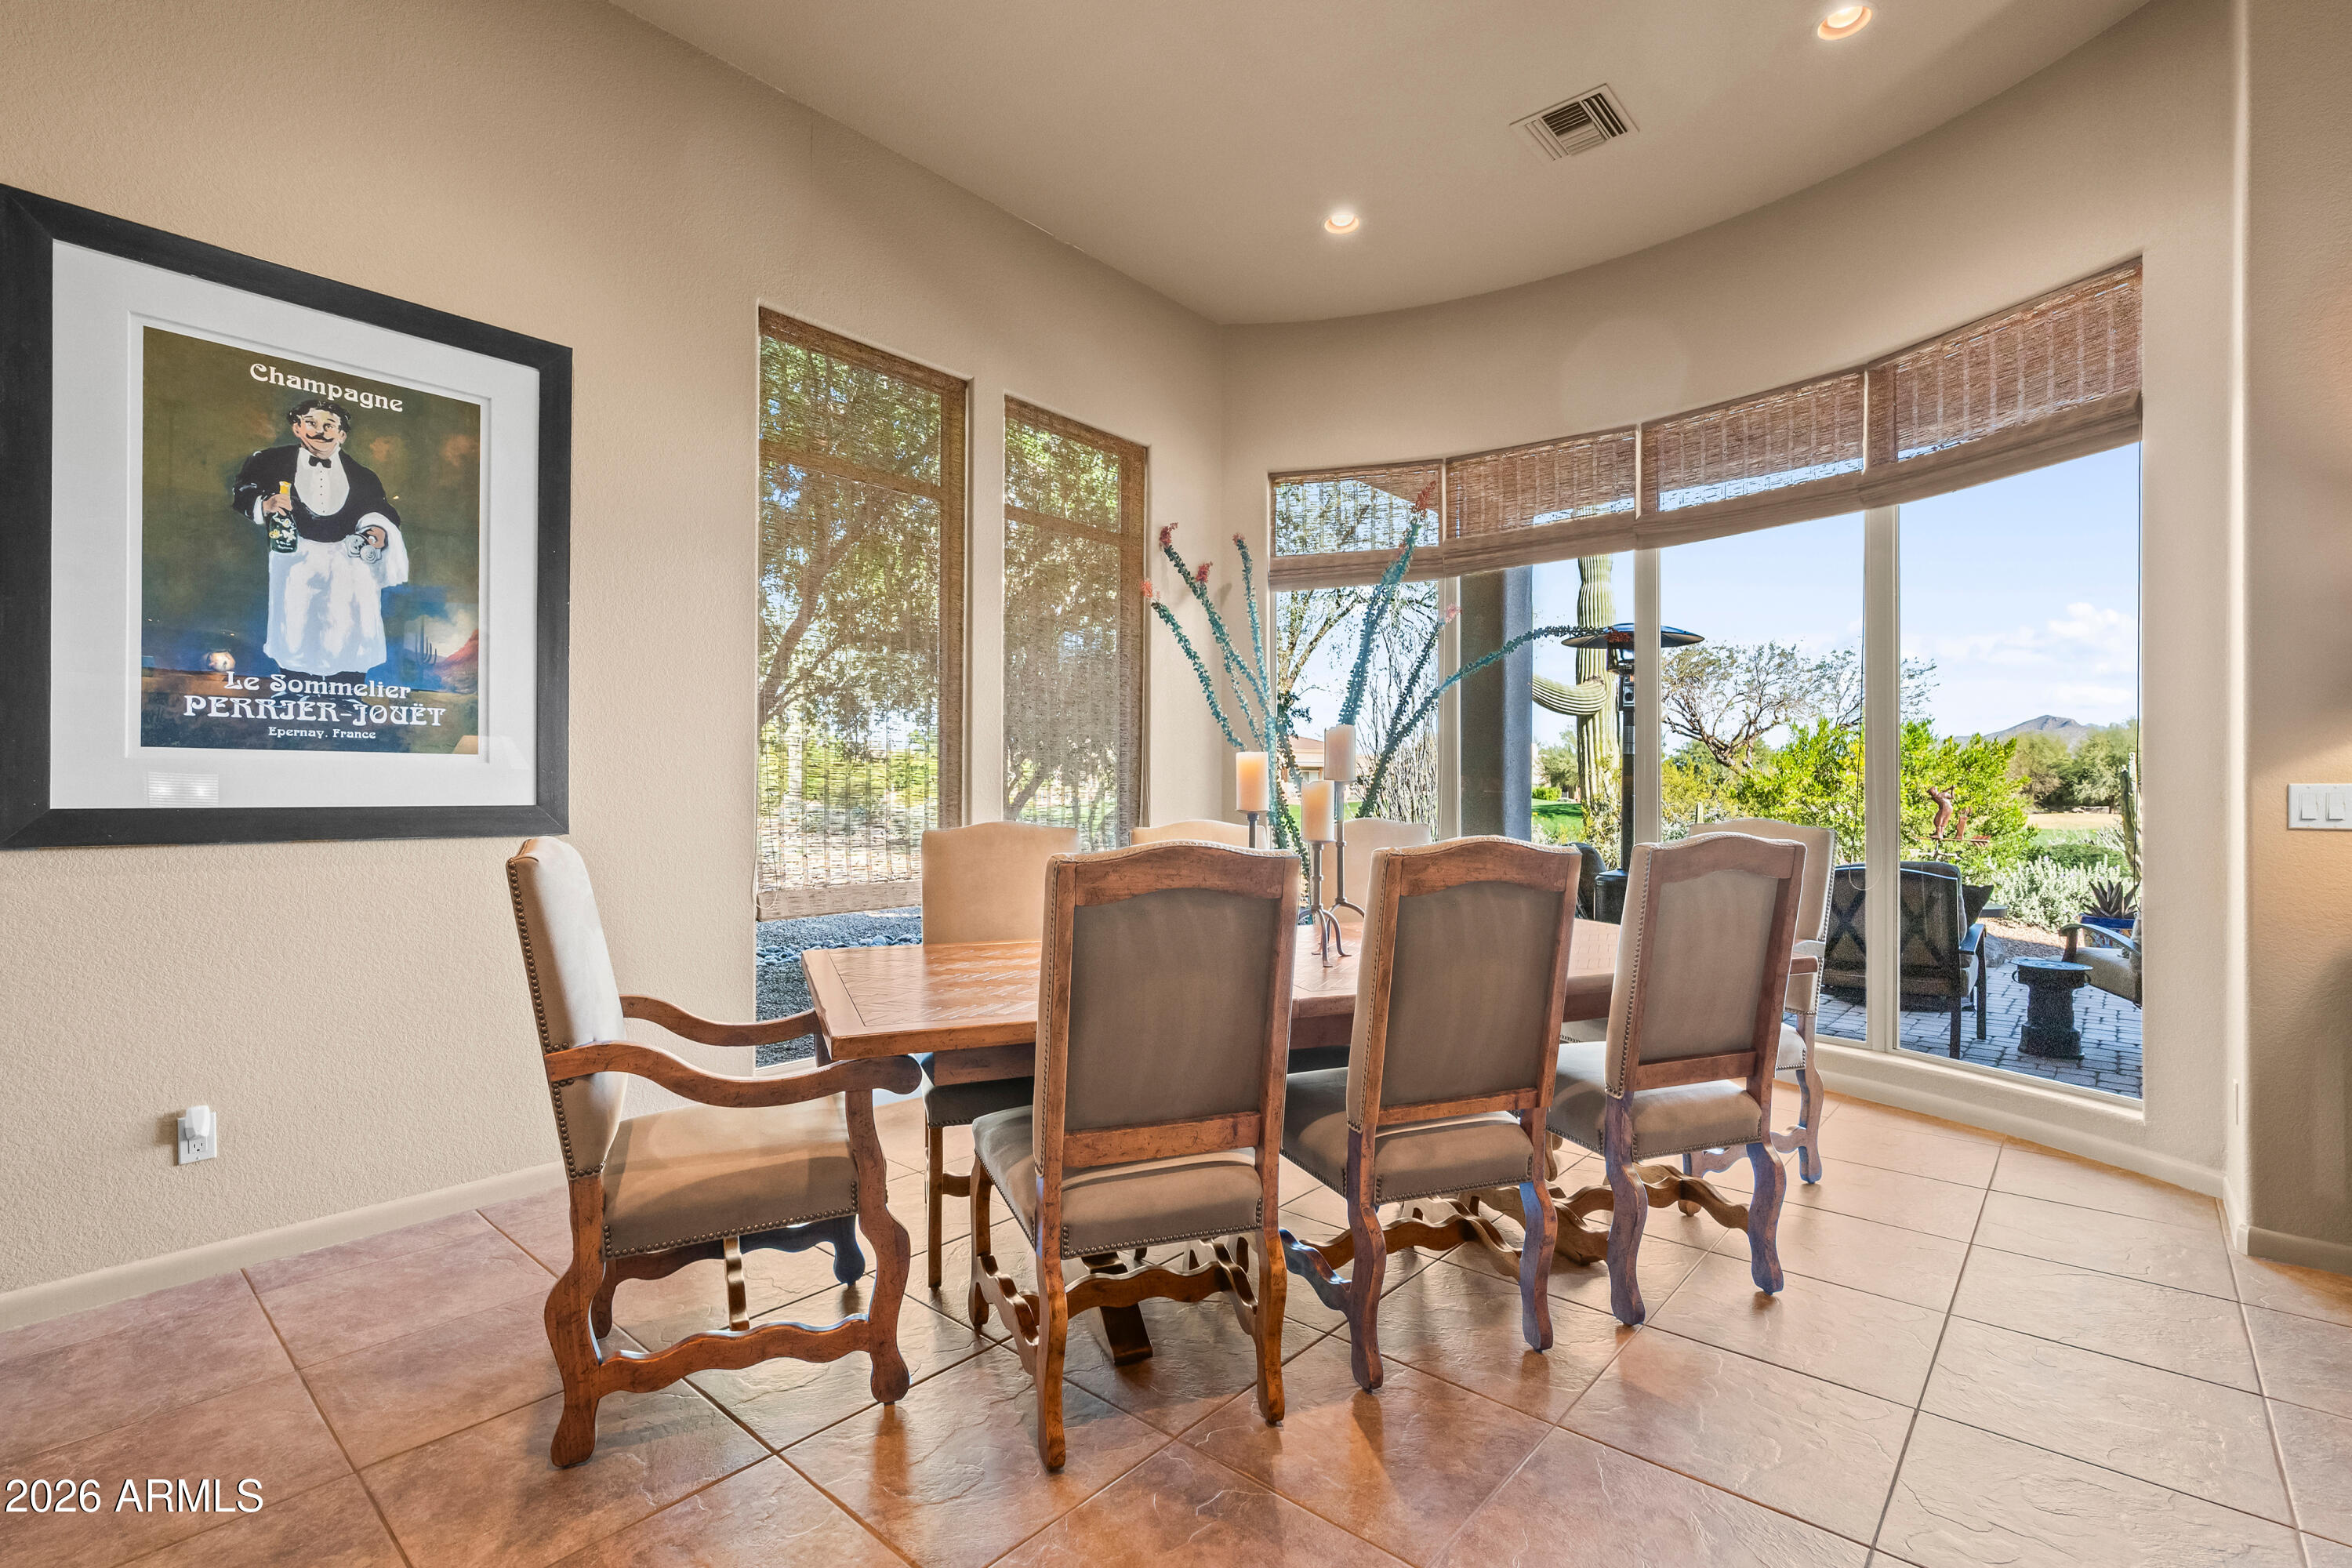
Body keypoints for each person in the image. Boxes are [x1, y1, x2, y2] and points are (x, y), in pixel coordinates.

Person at [229, 397, 408, 676]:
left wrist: (378, 529)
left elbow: (381, 509)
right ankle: (293, 685)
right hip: (295, 555)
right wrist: (265, 504)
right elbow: (243, 491)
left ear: (342, 435)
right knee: (295, 622)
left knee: (351, 624)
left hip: (346, 560)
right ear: (297, 428)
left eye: (330, 425)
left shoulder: (364, 476)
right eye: (311, 423)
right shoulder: (268, 461)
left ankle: (348, 689)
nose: (320, 431)